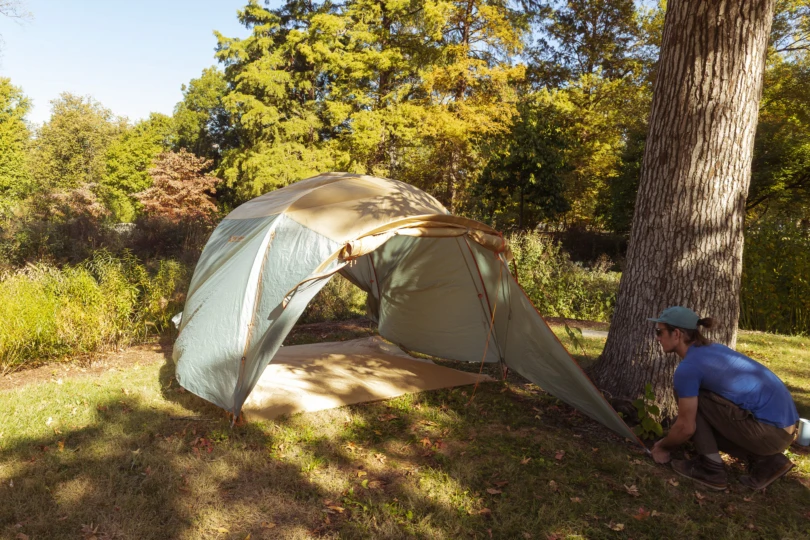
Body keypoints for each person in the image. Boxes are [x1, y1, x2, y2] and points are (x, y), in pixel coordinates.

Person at [648, 306, 799, 491]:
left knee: (692, 403)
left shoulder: (688, 368)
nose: (657, 337)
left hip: (769, 433)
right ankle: (768, 461)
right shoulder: (712, 349)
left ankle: (710, 469)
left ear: (677, 334)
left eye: (659, 332)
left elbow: (686, 428)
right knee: (692, 406)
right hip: (785, 430)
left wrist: (663, 446)